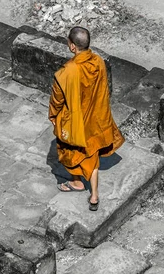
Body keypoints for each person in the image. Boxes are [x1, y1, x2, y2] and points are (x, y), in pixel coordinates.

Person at [49, 26, 125, 211]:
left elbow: (57, 98)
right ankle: (93, 195)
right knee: (92, 154)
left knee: (71, 150)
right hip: (95, 116)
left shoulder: (68, 71)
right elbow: (103, 88)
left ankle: (80, 185)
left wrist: (54, 115)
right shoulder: (98, 61)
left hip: (76, 119)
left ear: (72, 46)